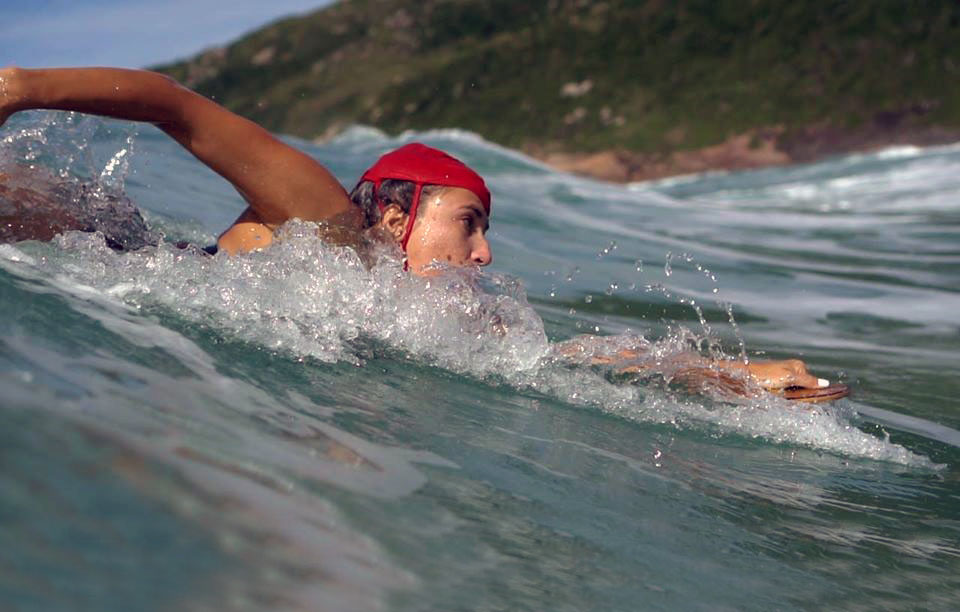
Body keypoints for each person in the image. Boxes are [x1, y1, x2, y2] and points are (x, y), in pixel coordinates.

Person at [0, 66, 842, 399]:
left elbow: (560, 360)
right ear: (397, 215)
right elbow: (175, 107)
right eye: (470, 224)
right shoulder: (329, 225)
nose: (484, 254)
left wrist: (723, 372)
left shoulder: (415, 311)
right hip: (112, 244)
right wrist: (18, 83)